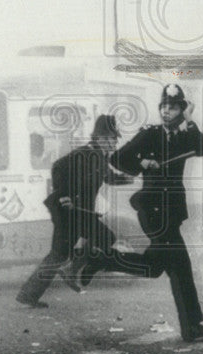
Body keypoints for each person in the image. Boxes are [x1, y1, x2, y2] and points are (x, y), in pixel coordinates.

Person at [72, 84, 203, 342]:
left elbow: (202, 148)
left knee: (157, 268)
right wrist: (141, 163)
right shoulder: (150, 134)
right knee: (180, 267)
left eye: (172, 107)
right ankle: (191, 326)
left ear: (182, 110)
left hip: (170, 211)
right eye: (163, 106)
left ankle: (101, 260)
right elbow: (117, 159)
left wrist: (191, 119)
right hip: (152, 209)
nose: (166, 111)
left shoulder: (184, 135)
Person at [15, 114, 130, 308]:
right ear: (101, 138)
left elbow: (109, 177)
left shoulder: (100, 157)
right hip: (69, 210)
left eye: (115, 139)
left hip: (78, 212)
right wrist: (62, 195)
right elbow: (57, 167)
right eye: (112, 138)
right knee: (106, 237)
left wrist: (128, 178)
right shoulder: (84, 154)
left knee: (59, 253)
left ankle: (29, 294)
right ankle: (71, 270)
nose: (115, 143)